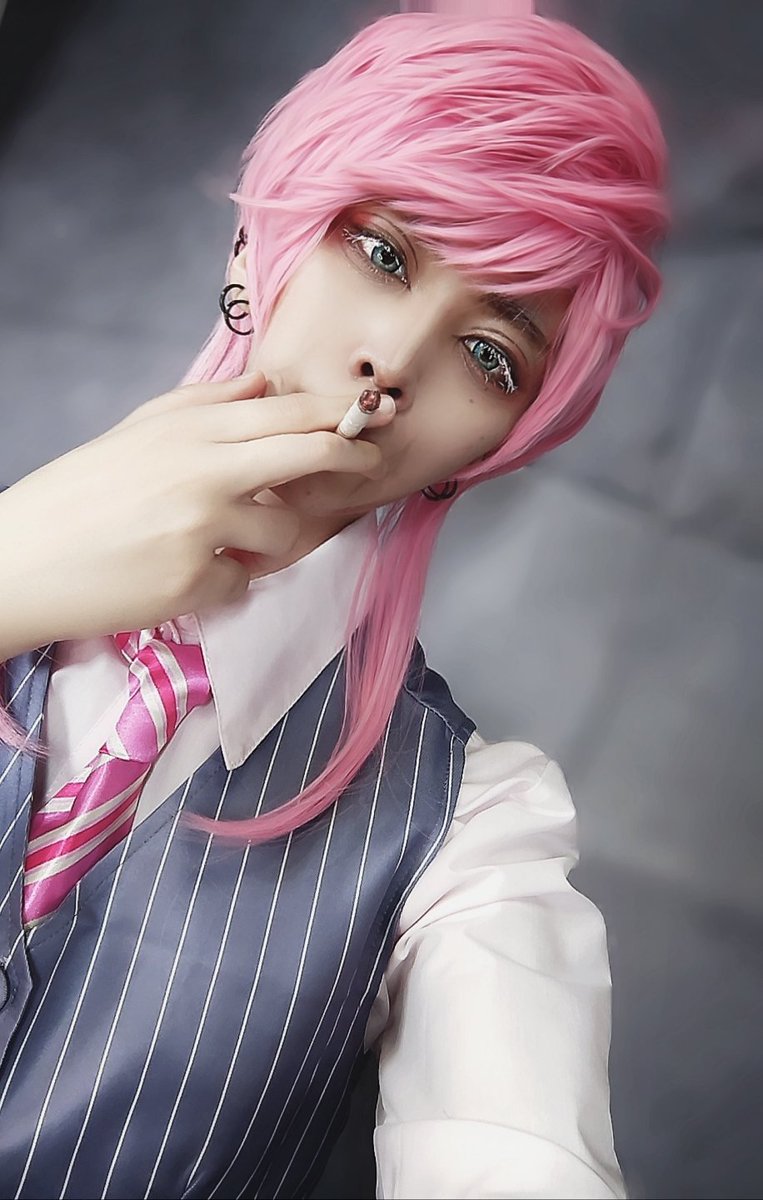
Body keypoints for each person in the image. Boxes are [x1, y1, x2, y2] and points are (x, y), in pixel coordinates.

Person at [0, 8, 669, 1199]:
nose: (394, 363)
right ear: (258, 235)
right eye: (382, 253)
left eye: (491, 356)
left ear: (499, 443)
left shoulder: (464, 831)